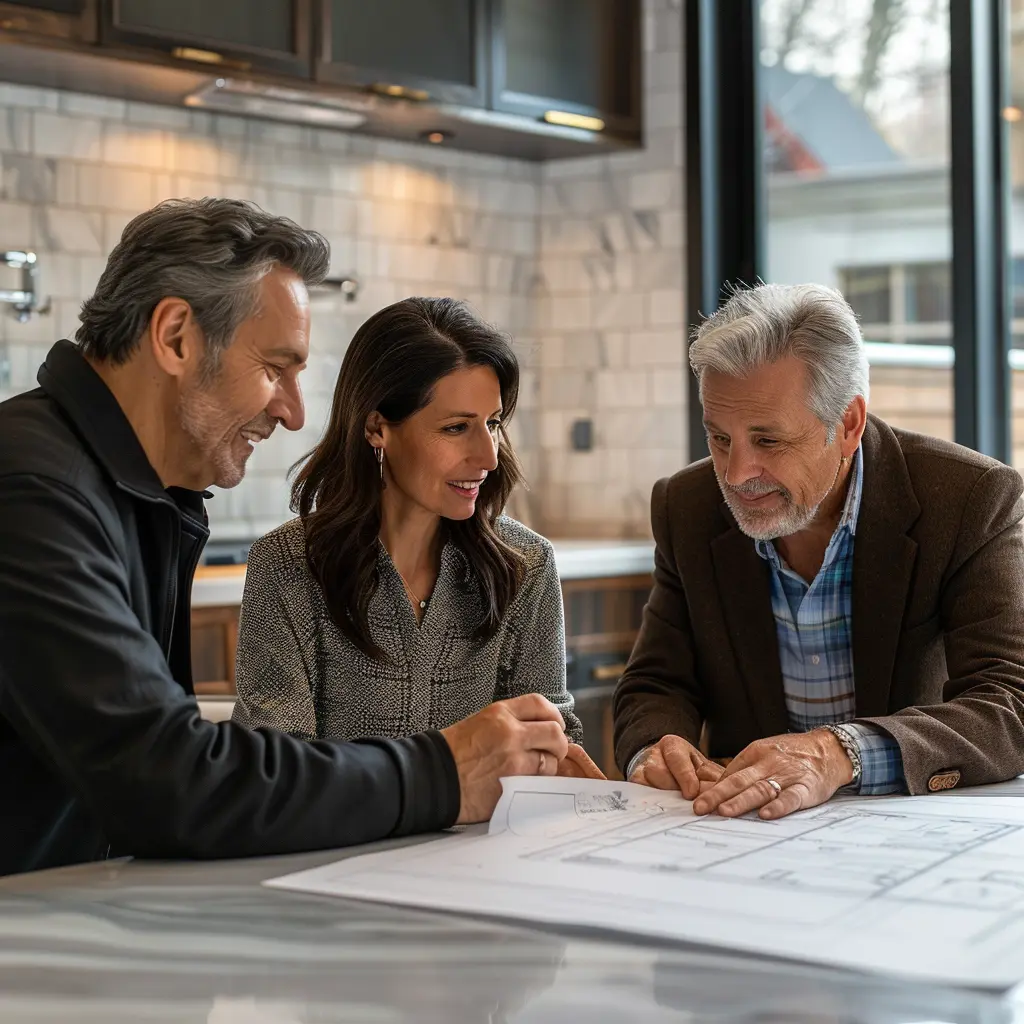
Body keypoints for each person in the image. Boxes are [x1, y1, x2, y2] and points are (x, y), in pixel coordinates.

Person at [0, 198, 572, 877]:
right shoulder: (35, 490)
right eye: (277, 367)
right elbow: (163, 779)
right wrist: (444, 772)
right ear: (176, 336)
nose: (296, 413)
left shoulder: (129, 493)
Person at [614, 282, 1024, 820]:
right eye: (719, 438)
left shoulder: (972, 498)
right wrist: (656, 750)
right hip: (747, 836)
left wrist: (839, 753)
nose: (736, 475)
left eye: (768, 441)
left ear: (848, 423)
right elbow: (656, 683)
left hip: (914, 828)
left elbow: (1009, 701)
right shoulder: (684, 506)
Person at [232, 297, 598, 779]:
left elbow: (548, 749)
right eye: (456, 428)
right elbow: (274, 771)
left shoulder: (526, 563)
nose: (488, 456)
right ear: (376, 427)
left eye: (491, 424)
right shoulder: (288, 564)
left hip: (492, 853)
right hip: (341, 852)